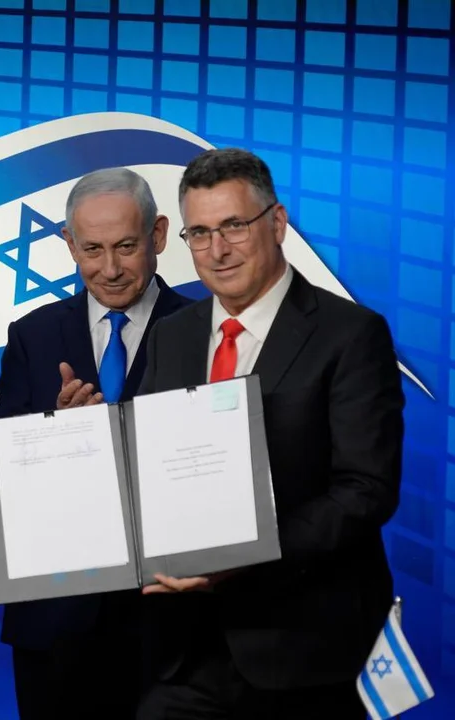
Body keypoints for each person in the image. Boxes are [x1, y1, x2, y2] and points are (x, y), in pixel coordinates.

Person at [134, 148, 403, 719]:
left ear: (277, 223)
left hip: (305, 651)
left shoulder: (351, 335)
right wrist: (26, 499)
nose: (218, 250)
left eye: (234, 225)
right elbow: (147, 467)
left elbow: (366, 490)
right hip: (186, 652)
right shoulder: (171, 335)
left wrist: (246, 556)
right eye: (199, 233)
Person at [0, 167, 192, 718]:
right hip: (54, 621)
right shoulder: (32, 335)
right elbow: (3, 462)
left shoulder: (203, 330)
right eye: (91, 249)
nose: (109, 269)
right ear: (69, 243)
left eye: (126, 247)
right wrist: (54, 438)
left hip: (169, 627)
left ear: (159, 235)